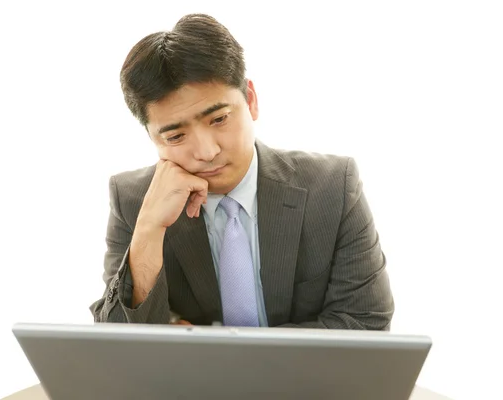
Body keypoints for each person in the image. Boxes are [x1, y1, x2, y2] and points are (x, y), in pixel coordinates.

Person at [89, 13, 394, 329]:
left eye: (219, 119)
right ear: (153, 138)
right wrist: (149, 230)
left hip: (305, 382)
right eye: (176, 136)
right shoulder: (132, 200)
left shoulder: (332, 187)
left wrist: (211, 349)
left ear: (250, 101)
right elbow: (116, 346)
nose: (207, 152)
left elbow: (365, 323)